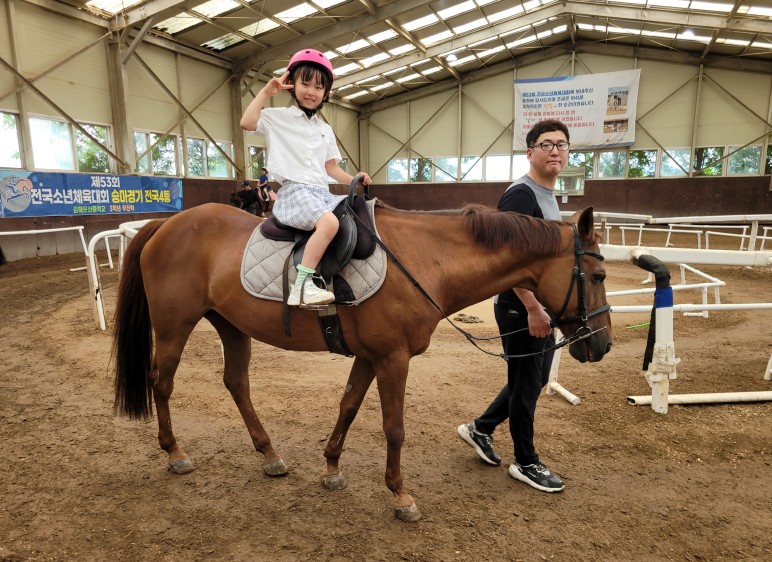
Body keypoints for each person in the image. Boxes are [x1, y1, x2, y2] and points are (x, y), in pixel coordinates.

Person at [457, 119, 570, 493]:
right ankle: (526, 462)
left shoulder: (548, 194)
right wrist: (534, 308)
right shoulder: (521, 196)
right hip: (520, 306)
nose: (555, 150)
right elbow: (509, 261)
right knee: (525, 384)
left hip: (539, 306)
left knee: (531, 380)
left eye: (562, 144)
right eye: (547, 144)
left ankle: (481, 428)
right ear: (530, 152)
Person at [240, 48, 372, 307]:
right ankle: (301, 287)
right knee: (329, 225)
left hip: (320, 193)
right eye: (305, 83)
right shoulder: (278, 118)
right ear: (292, 85)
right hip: (295, 192)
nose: (311, 91)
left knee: (355, 214)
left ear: (326, 93)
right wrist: (266, 92)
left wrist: (354, 179)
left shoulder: (325, 130)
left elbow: (330, 168)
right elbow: (246, 122)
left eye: (318, 87)